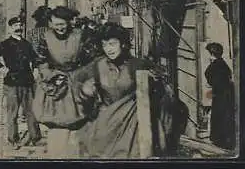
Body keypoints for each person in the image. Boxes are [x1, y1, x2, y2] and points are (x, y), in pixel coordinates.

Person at [73, 22, 186, 158]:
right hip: (106, 124)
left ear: (123, 43)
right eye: (104, 44)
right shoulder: (98, 65)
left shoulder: (138, 64)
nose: (108, 49)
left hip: (133, 125)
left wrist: (153, 84)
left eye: (112, 44)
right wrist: (85, 92)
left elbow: (162, 95)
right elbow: (77, 81)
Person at [32, 6, 95, 158]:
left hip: (76, 81)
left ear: (69, 22)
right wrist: (50, 75)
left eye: (62, 24)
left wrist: (81, 76)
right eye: (56, 24)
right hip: (55, 83)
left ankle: (75, 154)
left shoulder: (81, 35)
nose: (59, 28)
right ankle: (56, 155)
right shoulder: (45, 37)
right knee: (57, 124)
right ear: (51, 23)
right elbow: (41, 60)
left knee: (78, 122)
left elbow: (91, 59)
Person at [0, 16, 42, 149]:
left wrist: (36, 69)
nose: (18, 28)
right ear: (10, 28)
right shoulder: (4, 44)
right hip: (11, 83)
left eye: (20, 25)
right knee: (12, 113)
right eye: (15, 26)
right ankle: (13, 140)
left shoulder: (27, 44)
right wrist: (1, 68)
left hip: (28, 82)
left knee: (32, 111)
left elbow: (35, 59)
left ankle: (36, 138)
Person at [204, 42, 235, 150]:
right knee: (224, 116)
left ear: (213, 54)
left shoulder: (217, 64)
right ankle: (223, 140)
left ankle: (220, 140)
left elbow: (208, 74)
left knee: (220, 116)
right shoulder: (223, 64)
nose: (209, 56)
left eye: (210, 53)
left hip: (221, 95)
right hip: (225, 95)